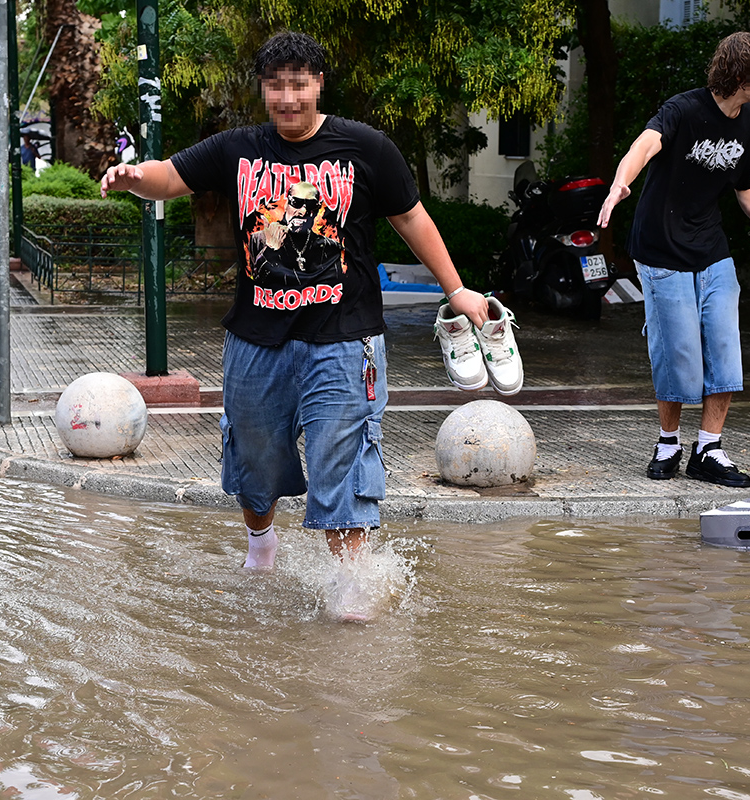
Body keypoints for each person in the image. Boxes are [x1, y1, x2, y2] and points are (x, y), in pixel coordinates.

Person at [100, 31, 488, 582]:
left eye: (298, 84)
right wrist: (136, 177)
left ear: (318, 84)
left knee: (344, 458)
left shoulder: (366, 147)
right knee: (254, 457)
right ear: (263, 88)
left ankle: (351, 586)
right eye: (275, 85)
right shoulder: (237, 148)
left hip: (345, 337)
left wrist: (456, 290)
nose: (287, 98)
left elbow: (412, 218)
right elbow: (169, 177)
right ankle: (261, 541)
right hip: (257, 340)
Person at [597, 31, 750, 489]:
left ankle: (708, 449)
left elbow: (746, 179)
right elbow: (643, 145)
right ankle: (668, 443)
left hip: (711, 247)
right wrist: (621, 183)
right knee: (678, 350)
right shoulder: (684, 109)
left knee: (722, 345)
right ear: (742, 74)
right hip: (660, 248)